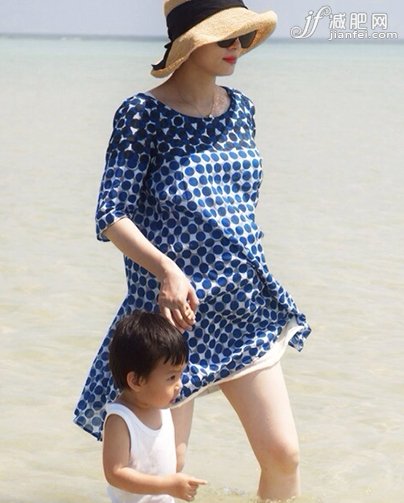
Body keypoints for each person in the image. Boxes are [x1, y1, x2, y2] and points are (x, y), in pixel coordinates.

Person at [74, 1, 312, 501]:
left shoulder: (242, 109)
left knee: (283, 455)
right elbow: (111, 214)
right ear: (190, 42)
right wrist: (166, 269)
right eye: (225, 38)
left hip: (243, 308)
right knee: (168, 467)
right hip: (174, 317)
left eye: (242, 36)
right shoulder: (142, 115)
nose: (237, 47)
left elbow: (236, 206)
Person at [103, 310, 206, 503]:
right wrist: (166, 485)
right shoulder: (120, 420)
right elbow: (115, 473)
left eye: (180, 375)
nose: (179, 385)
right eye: (171, 377)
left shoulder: (161, 406)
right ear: (136, 381)